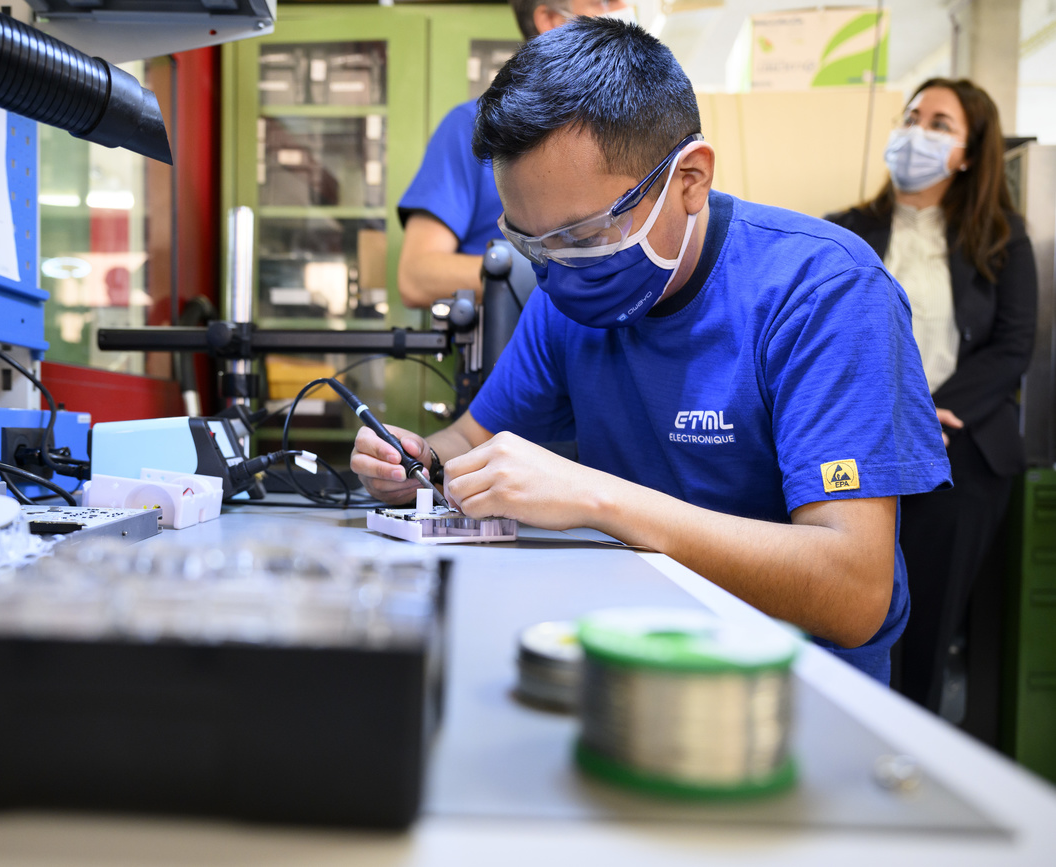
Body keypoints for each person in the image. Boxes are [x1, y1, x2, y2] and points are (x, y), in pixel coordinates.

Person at [352, 18, 952, 683]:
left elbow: (852, 592)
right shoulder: (569, 299)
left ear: (690, 178)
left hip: (797, 693)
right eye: (533, 244)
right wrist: (421, 462)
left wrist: (598, 498)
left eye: (583, 236)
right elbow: (471, 437)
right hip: (627, 665)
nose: (556, 271)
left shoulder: (824, 292)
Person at [827, 80, 1037, 714]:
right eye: (913, 116)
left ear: (970, 153)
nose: (917, 131)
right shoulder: (844, 231)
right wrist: (895, 417)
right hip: (863, 448)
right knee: (851, 618)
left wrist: (928, 416)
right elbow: (829, 339)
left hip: (963, 453)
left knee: (928, 629)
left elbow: (1012, 344)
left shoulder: (1002, 237)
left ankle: (911, 757)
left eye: (940, 124)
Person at [396, 0, 634, 309]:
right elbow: (416, 278)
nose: (622, 7)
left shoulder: (634, 122)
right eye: (601, 1)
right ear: (550, 19)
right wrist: (544, 267)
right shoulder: (471, 129)